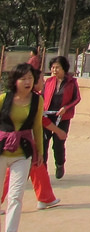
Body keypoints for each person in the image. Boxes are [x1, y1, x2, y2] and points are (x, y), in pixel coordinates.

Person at [1, 67, 63, 211]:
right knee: (12, 173)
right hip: (17, 145)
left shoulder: (37, 99)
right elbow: (41, 121)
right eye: (41, 79)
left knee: (37, 168)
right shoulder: (17, 100)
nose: (43, 82)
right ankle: (45, 198)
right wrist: (58, 131)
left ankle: (45, 198)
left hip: (29, 146)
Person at [0, 63, 43, 231]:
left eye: (30, 78)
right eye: (23, 78)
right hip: (2, 150)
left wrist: (40, 151)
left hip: (22, 153)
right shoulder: (4, 98)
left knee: (15, 196)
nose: (28, 82)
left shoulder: (37, 100)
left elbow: (37, 127)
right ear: (15, 80)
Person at [41, 56, 81, 179]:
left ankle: (59, 164)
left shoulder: (72, 82)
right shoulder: (48, 82)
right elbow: (41, 96)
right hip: (48, 116)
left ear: (64, 68)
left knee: (58, 143)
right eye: (53, 67)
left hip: (63, 117)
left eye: (57, 67)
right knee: (43, 142)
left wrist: (66, 108)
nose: (54, 70)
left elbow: (77, 98)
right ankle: (43, 170)